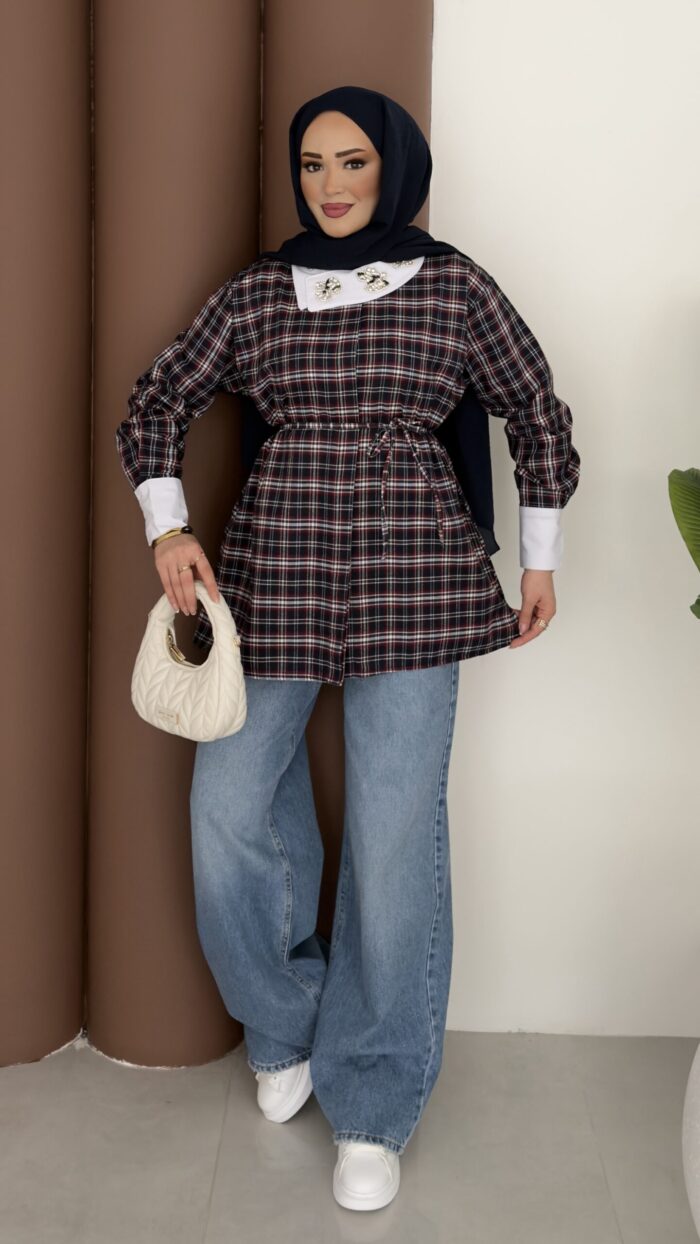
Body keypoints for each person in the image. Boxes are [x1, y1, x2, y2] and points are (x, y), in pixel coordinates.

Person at [115, 84, 580, 1213]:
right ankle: (286, 1023)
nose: (329, 185)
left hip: (417, 582)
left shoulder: (455, 286)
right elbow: (155, 401)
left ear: (396, 168)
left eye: (353, 161)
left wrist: (539, 557)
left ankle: (372, 1097)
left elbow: (536, 408)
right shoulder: (259, 294)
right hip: (273, 575)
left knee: (392, 836)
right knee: (229, 806)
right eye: (312, 164)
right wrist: (168, 527)